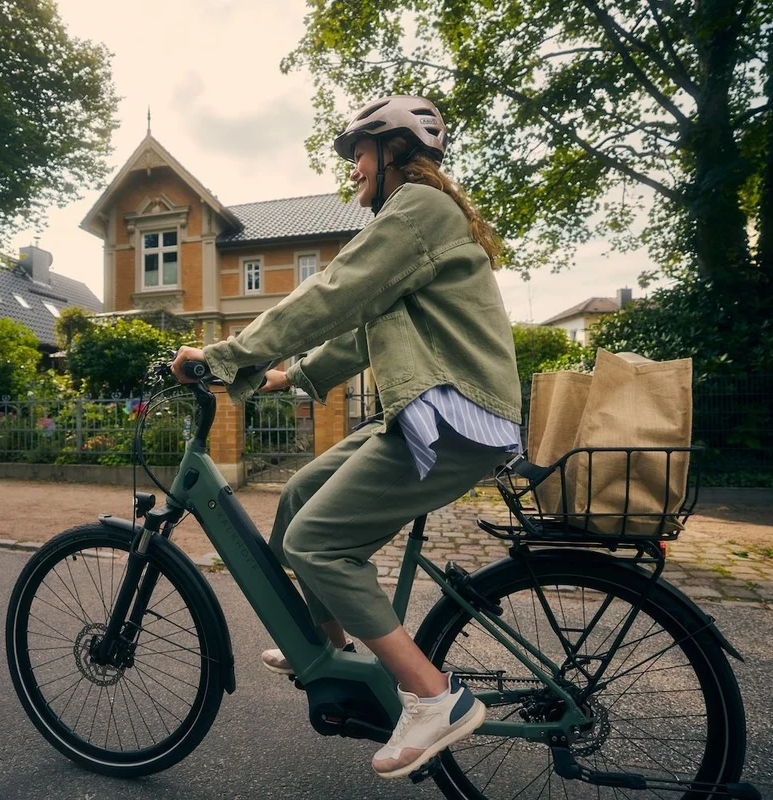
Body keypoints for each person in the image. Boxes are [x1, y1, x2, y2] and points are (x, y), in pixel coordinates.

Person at [171, 95, 522, 779]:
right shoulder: (414, 215)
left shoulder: (418, 208)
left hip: (455, 416)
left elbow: (333, 291)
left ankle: (433, 696)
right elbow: (365, 328)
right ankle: (325, 644)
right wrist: (283, 377)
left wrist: (225, 354)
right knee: (300, 494)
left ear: (394, 151)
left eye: (358, 153)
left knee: (317, 544)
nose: (353, 169)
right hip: (432, 411)